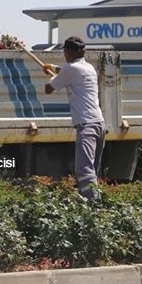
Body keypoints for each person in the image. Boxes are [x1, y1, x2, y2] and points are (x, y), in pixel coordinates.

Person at [43, 36, 106, 201]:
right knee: (91, 170)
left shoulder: (70, 69)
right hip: (99, 124)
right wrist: (54, 68)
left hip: (87, 126)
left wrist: (52, 78)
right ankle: (93, 201)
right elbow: (67, 72)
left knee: (84, 170)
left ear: (68, 52)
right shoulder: (88, 68)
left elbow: (48, 89)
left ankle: (93, 206)